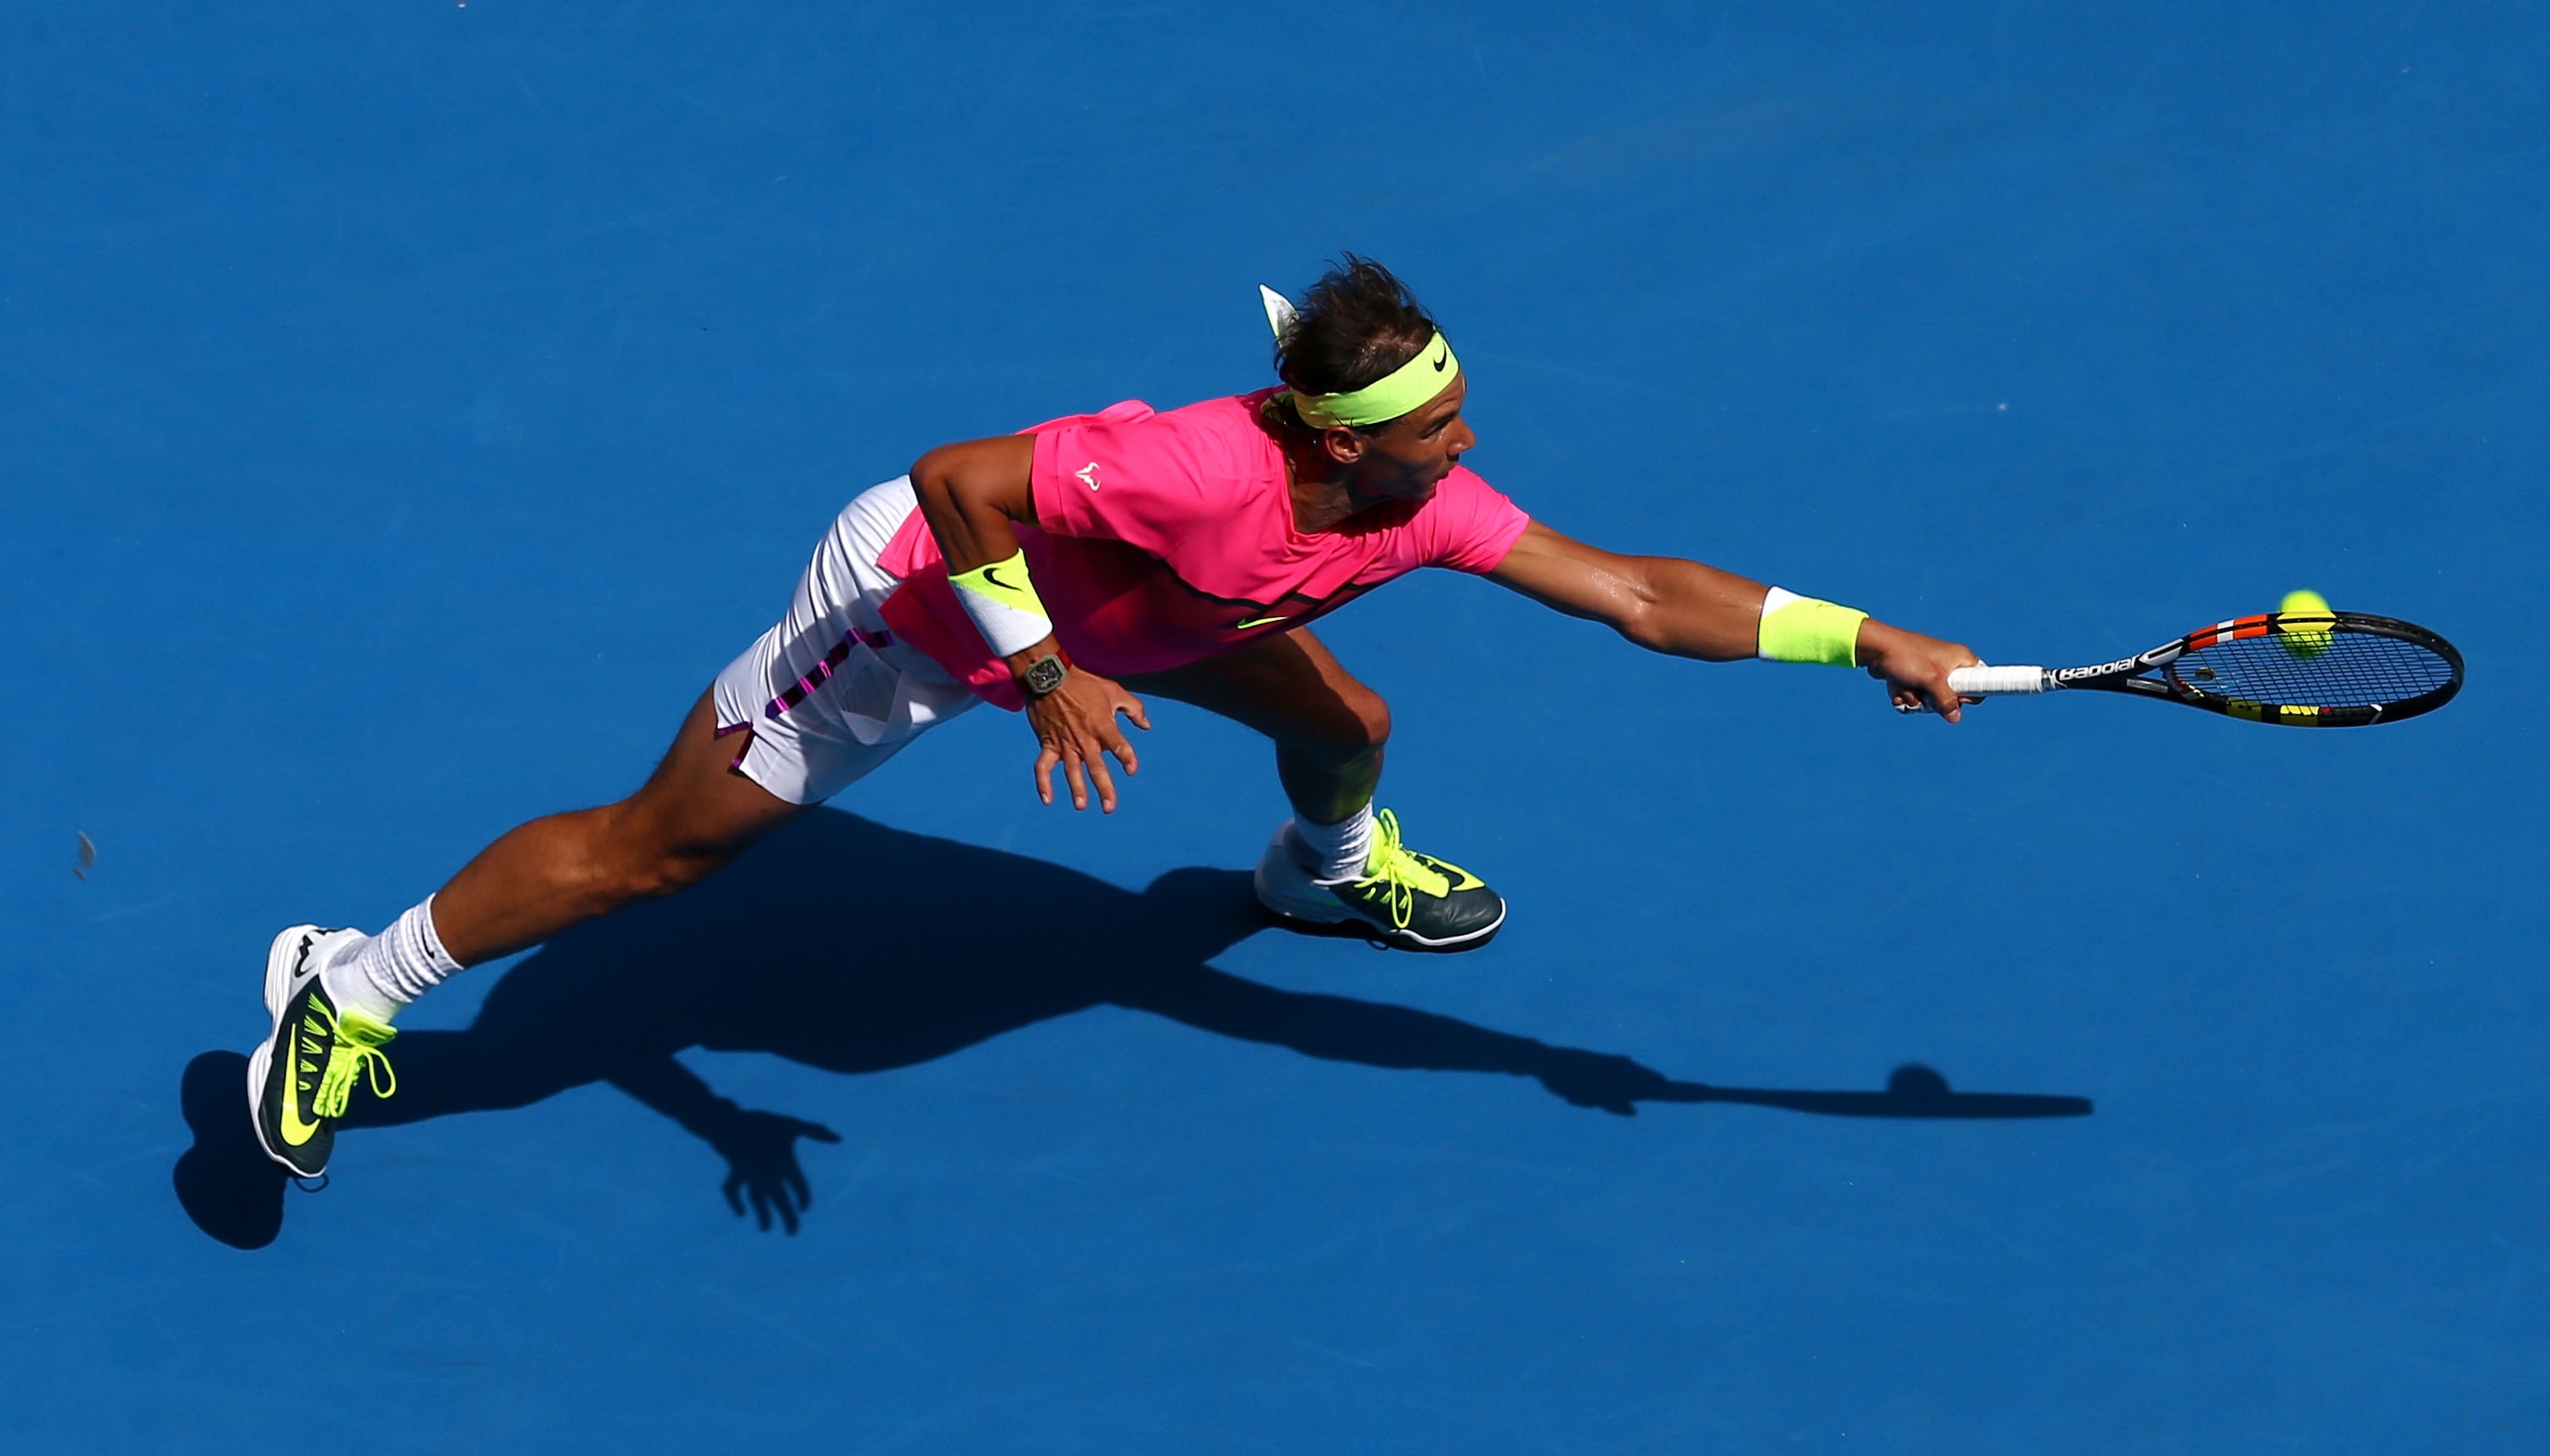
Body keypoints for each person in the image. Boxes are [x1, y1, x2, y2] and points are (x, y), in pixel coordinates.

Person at [246, 257, 1981, 1180]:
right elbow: (956, 482)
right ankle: (354, 986)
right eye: (1437, 424)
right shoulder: (1191, 460)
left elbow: (1642, 594)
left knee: (1346, 716)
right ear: (1337, 439)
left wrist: (1871, 637)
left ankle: (1321, 868)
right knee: (652, 860)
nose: (1469, 445)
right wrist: (1041, 674)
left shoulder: (1416, 502)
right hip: (921, 609)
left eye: (1462, 411)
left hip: (1150, 614)